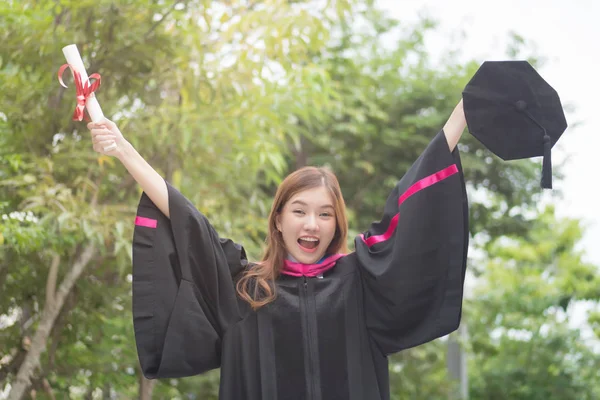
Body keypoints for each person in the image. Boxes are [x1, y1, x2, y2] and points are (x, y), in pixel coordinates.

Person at [87, 99, 469, 400]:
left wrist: (460, 116)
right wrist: (123, 151)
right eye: (299, 211)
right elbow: (188, 224)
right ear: (278, 220)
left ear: (336, 225)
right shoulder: (245, 289)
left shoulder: (359, 283)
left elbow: (409, 214)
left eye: (324, 214)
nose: (311, 224)